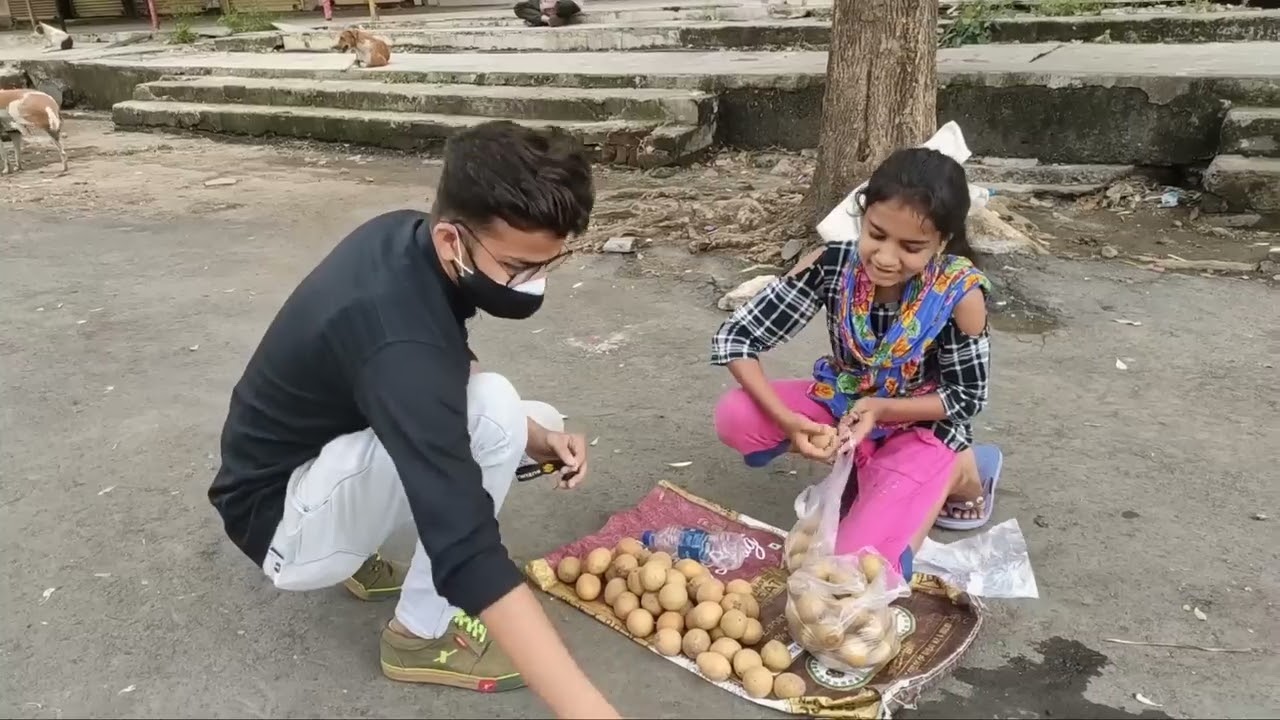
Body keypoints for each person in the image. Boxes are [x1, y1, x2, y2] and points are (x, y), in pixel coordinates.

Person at [208, 121, 620, 719]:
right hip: (280, 525)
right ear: (454, 239)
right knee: (498, 414)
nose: (533, 282)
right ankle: (420, 635)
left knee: (525, 417)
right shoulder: (398, 343)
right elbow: (467, 546)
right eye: (518, 266)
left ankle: (354, 544)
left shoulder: (407, 237)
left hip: (301, 468)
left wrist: (540, 438)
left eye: (548, 263)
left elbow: (443, 358)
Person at [710, 147, 994, 579]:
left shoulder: (960, 295)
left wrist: (882, 409)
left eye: (911, 247)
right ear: (862, 215)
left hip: (921, 424)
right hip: (846, 400)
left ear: (943, 241)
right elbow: (738, 337)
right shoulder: (833, 265)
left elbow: (966, 397)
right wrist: (787, 421)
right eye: (876, 234)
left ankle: (961, 470)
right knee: (737, 415)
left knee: (857, 566)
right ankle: (871, 466)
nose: (884, 257)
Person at [514, 0, 582, 27]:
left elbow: (575, 5)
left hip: (562, 4)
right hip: (542, 4)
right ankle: (547, 20)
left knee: (566, 5)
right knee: (519, 7)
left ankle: (538, 20)